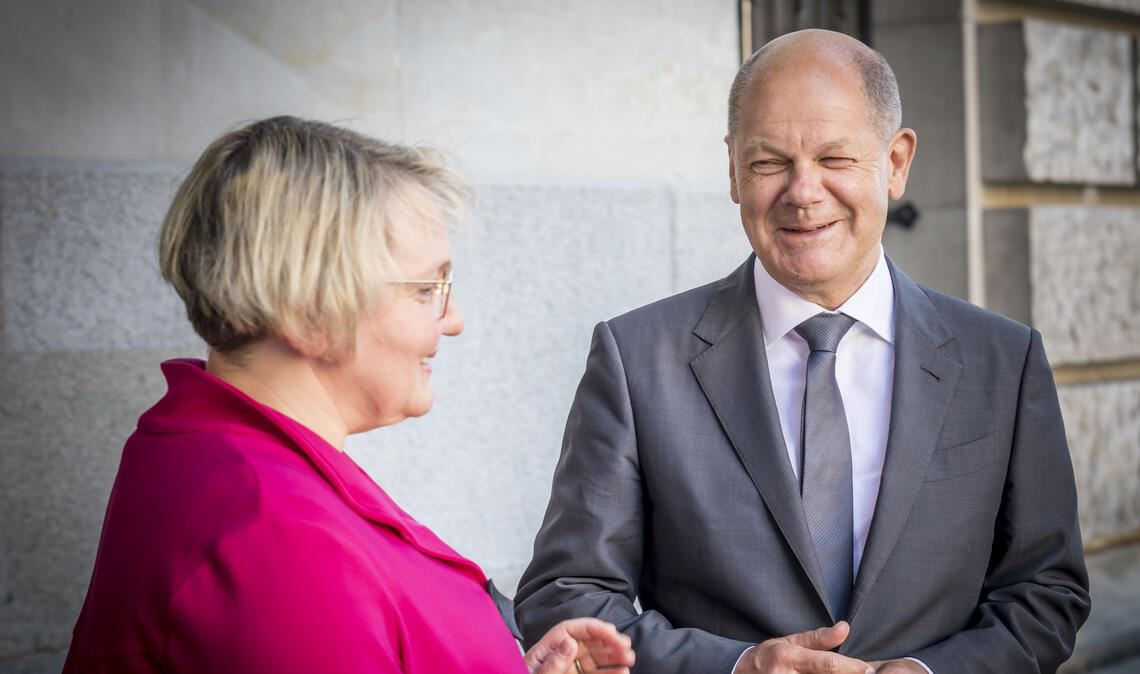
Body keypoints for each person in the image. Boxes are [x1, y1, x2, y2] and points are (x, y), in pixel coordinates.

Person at [514, 29, 1089, 674]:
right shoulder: (636, 358)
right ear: (733, 169)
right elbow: (568, 598)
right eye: (768, 163)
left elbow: (1047, 592)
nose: (803, 192)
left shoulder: (1003, 362)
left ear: (896, 163)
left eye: (835, 159)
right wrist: (737, 668)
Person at [63, 116, 636, 674]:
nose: (453, 319)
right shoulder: (275, 546)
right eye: (427, 289)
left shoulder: (228, 460)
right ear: (309, 309)